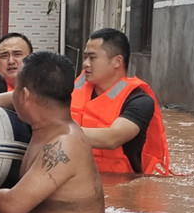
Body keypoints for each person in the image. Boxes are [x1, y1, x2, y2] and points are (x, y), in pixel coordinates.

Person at [0, 52, 105, 213]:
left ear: (24, 95)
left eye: (16, 88)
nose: (12, 95)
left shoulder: (63, 144)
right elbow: (0, 101)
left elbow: (12, 206)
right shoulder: (47, 124)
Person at [71, 28, 170, 174]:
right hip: (78, 178)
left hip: (121, 184)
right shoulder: (71, 89)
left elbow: (112, 138)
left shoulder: (140, 100)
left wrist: (55, 131)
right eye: (85, 57)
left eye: (92, 58)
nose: (85, 64)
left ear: (117, 61)